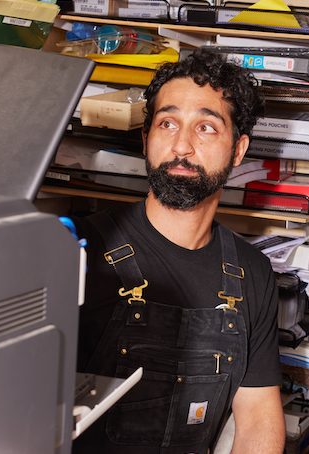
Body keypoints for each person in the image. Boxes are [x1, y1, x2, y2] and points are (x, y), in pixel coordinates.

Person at [71, 48, 285, 454]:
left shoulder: (251, 273)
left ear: (238, 151)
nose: (181, 145)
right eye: (167, 123)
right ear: (145, 138)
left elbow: (258, 416)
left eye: (205, 128)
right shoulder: (82, 247)